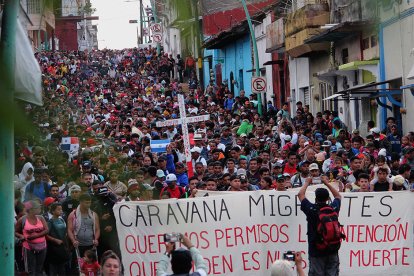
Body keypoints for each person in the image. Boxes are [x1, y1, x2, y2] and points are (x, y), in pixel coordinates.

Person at [298, 175, 342, 276]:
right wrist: (327, 183)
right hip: (332, 249)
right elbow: (338, 196)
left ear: (316, 198)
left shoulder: (311, 210)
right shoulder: (333, 208)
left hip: (316, 251)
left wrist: (307, 182)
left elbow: (300, 194)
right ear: (327, 198)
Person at [15, 200, 49, 276]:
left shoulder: (41, 218)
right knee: (30, 270)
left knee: (39, 269)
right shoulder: (22, 220)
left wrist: (36, 235)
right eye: (37, 208)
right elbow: (15, 231)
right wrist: (21, 236)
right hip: (28, 247)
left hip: (42, 246)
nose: (40, 209)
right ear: (31, 210)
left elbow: (47, 230)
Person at [67, 193, 100, 262]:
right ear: (81, 202)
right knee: (78, 266)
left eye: (89, 203)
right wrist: (73, 241)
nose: (88, 204)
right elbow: (69, 230)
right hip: (78, 245)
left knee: (91, 265)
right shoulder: (73, 214)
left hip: (90, 244)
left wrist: (96, 239)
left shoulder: (93, 214)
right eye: (86, 203)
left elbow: (97, 229)